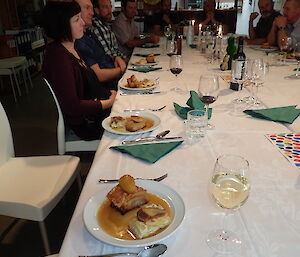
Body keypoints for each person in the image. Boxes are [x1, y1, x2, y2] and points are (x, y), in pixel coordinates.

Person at [42, 1, 116, 140]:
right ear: (61, 25)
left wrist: (110, 94)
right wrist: (109, 102)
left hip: (93, 114)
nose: (82, 23)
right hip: (85, 125)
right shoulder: (59, 58)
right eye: (77, 19)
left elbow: (90, 86)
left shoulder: (70, 47)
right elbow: (72, 106)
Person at [75, 0, 125, 90]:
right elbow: (98, 75)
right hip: (110, 90)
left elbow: (104, 55)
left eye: (91, 8)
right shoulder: (79, 41)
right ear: (76, 13)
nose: (92, 13)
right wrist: (121, 69)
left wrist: (115, 58)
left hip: (116, 82)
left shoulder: (90, 34)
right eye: (87, 8)